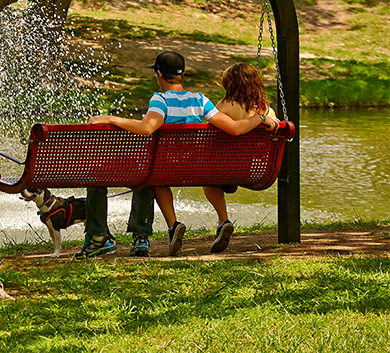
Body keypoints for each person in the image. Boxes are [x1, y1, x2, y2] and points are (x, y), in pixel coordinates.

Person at [76, 51, 280, 259]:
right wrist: (261, 118)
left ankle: (165, 228)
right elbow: (235, 129)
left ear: (159, 74)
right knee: (152, 175)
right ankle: (145, 238)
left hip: (165, 168)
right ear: (181, 76)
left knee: (147, 176)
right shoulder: (200, 100)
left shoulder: (160, 99)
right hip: (195, 167)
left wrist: (112, 119)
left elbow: (148, 127)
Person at [205, 62, 277, 253]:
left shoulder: (225, 106)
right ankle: (222, 221)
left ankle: (223, 220)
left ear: (229, 85)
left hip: (221, 168)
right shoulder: (268, 111)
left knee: (209, 183)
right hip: (252, 170)